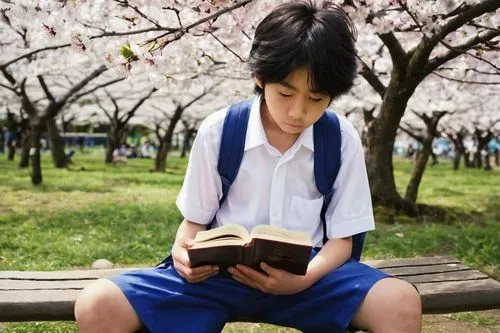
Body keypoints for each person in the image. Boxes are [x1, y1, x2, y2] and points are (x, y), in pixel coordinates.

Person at [74, 2, 422, 333]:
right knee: (98, 303)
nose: (298, 112)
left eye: (316, 99)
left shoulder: (340, 137)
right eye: (286, 93)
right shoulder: (220, 130)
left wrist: (305, 277)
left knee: (400, 301)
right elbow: (193, 223)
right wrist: (182, 254)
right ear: (260, 77)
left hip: (309, 276)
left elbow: (342, 241)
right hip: (220, 275)